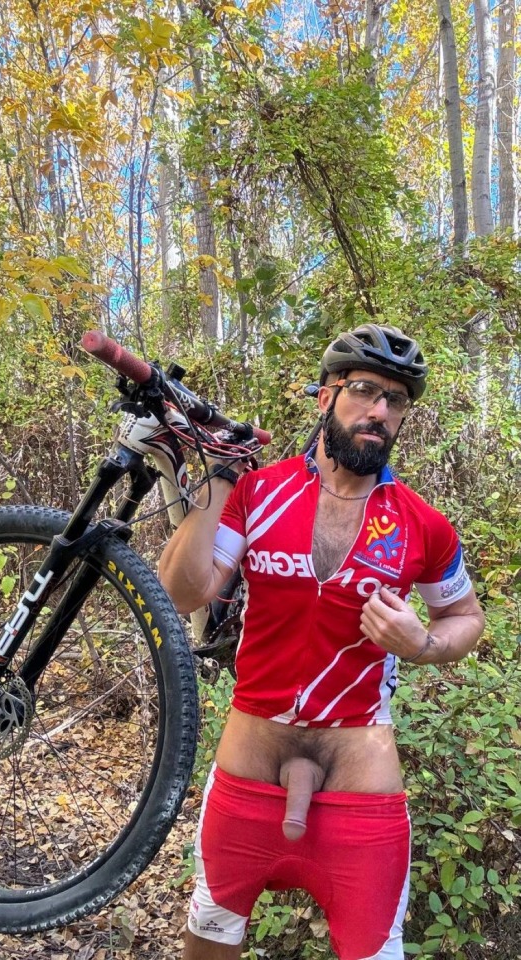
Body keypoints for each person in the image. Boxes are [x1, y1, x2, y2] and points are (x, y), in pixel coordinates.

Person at [158, 323, 484, 960]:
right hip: (247, 773)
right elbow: (183, 593)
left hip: (361, 785)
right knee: (209, 936)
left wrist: (422, 642)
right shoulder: (260, 492)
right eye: (364, 390)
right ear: (326, 396)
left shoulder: (422, 524)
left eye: (395, 399)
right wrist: (219, 479)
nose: (379, 410)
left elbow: (465, 616)